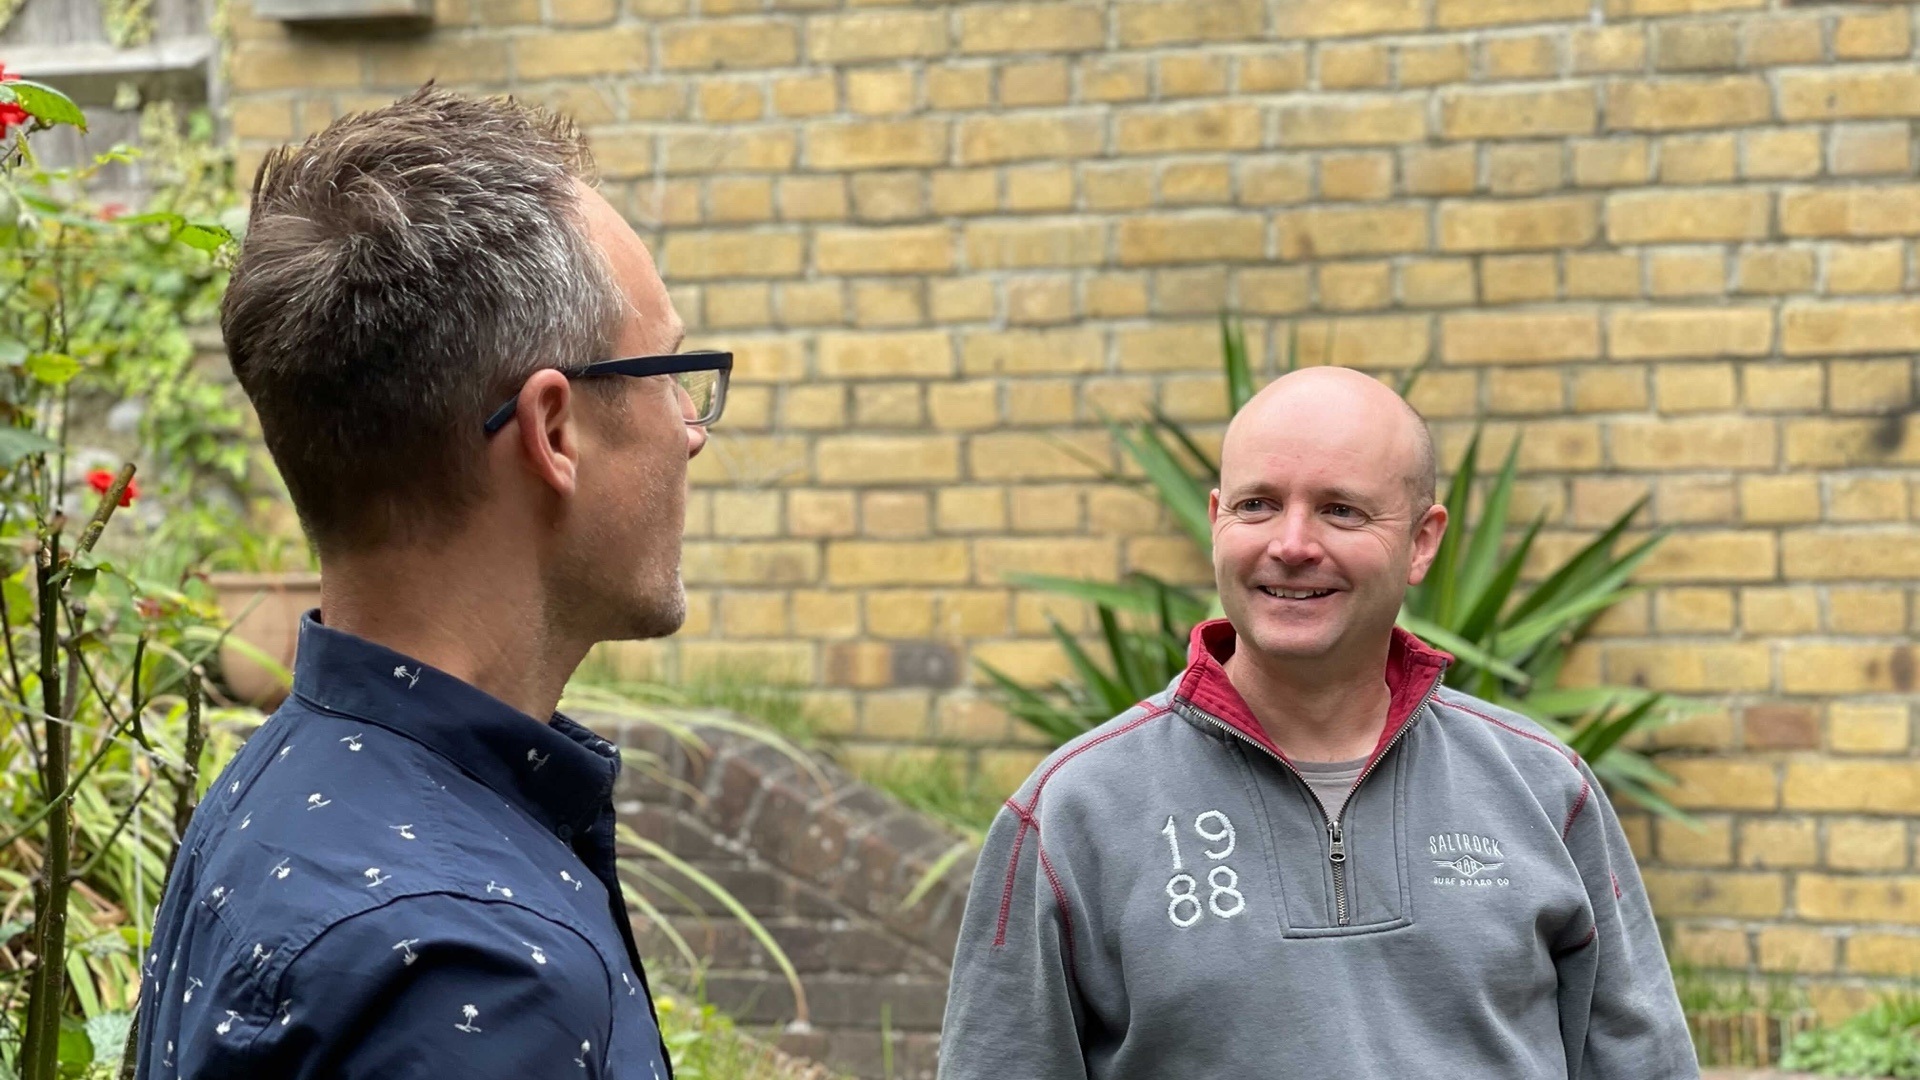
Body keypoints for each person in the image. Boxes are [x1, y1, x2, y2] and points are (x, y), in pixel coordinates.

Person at [135, 87, 728, 1079]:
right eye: (667, 370)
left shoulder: (276, 788)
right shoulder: (478, 972)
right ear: (553, 431)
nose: (691, 429)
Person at [939, 366, 1697, 1079]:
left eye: (1341, 509)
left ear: (1422, 541)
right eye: (1257, 504)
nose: (1291, 544)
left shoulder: (1541, 787)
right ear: (1216, 521)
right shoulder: (1072, 814)